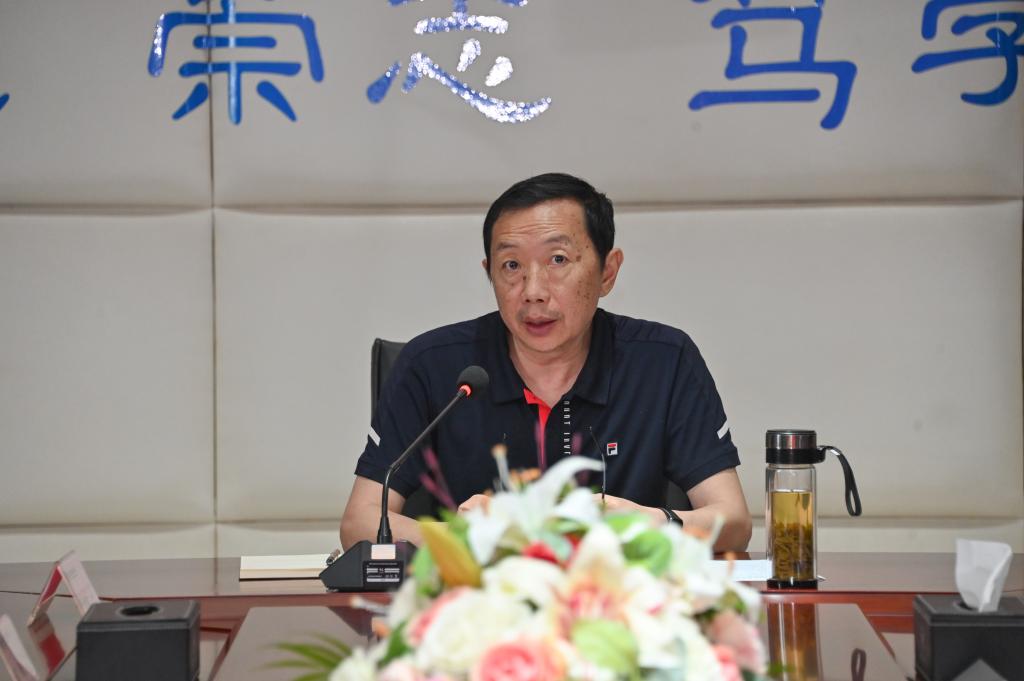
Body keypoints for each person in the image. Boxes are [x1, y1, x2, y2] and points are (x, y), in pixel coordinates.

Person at [340, 173, 751, 551]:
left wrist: (648, 524)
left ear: (607, 272)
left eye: (558, 260)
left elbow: (733, 521)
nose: (533, 291)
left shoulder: (663, 361)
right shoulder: (433, 367)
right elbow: (361, 521)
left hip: (620, 598)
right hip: (477, 599)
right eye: (511, 265)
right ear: (489, 273)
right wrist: (467, 540)